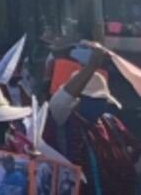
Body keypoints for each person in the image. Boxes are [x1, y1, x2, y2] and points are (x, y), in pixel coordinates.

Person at [46, 41, 139, 195]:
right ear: (78, 100)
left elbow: (134, 153)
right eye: (93, 99)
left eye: (101, 100)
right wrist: (91, 67)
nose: (99, 104)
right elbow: (60, 101)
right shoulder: (65, 120)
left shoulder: (111, 123)